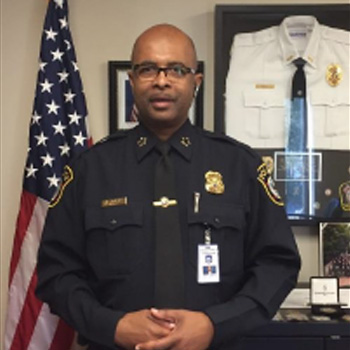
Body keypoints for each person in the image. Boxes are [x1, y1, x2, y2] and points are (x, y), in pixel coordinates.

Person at [36, 24, 301, 350]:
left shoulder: (241, 166)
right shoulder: (89, 171)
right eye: (148, 69)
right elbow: (56, 274)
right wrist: (113, 326)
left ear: (195, 82)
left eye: (176, 69)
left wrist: (214, 325)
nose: (162, 81)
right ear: (132, 81)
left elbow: (278, 265)